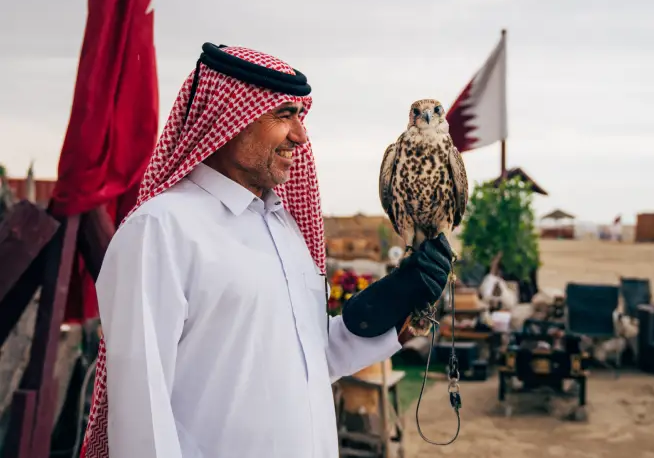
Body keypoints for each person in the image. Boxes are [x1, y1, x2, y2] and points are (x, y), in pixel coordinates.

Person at [80, 43, 454, 458]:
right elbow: (141, 418)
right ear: (227, 118)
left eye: (300, 116)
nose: (300, 134)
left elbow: (309, 360)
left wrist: (384, 305)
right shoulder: (161, 230)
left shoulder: (286, 229)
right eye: (284, 115)